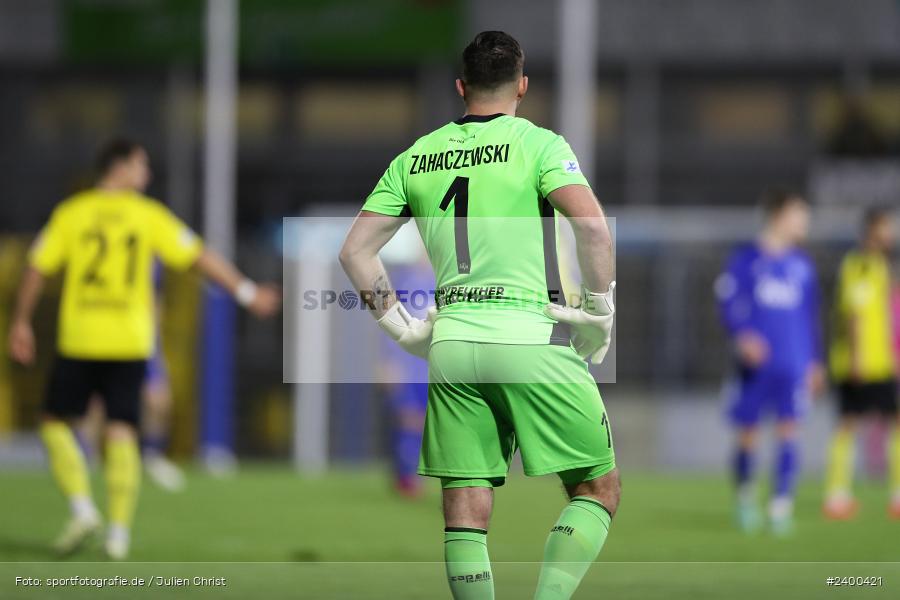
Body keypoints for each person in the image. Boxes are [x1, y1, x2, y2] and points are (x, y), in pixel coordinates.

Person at [340, 31, 617, 600]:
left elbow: (355, 252)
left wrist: (403, 330)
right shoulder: (539, 144)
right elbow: (591, 226)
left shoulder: (418, 154)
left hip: (454, 342)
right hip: (533, 336)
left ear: (461, 87)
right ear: (522, 85)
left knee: (464, 509)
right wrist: (599, 308)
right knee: (596, 489)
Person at [7, 138, 280, 560]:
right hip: (131, 340)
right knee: (122, 429)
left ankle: (81, 507)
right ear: (119, 167)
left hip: (81, 336)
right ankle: (118, 533)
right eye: (141, 165)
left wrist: (21, 322)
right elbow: (198, 257)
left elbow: (36, 267)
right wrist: (246, 292)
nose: (147, 174)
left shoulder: (72, 214)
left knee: (54, 419)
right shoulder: (148, 216)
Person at [715, 189, 825, 535]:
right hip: (756, 367)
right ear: (778, 216)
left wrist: (815, 361)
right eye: (798, 214)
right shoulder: (746, 260)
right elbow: (728, 302)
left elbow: (810, 317)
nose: (804, 222)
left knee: (790, 431)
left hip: (792, 365)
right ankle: (746, 498)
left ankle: (781, 506)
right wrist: (743, 334)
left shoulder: (802, 266)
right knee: (748, 434)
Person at [823, 207, 899, 519]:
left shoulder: (880, 265)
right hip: (862, 362)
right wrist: (856, 358)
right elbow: (854, 314)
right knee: (849, 425)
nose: (891, 234)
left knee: (889, 422)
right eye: (886, 228)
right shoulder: (860, 265)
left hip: (880, 361)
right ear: (872, 231)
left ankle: (891, 495)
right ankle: (837, 496)